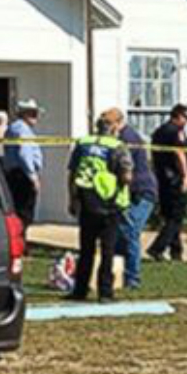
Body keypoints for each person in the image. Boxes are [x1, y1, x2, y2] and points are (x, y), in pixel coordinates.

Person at [67, 111, 133, 302]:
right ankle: (105, 292)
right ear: (114, 127)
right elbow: (126, 176)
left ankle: (80, 290)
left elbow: (72, 173)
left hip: (86, 202)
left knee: (86, 249)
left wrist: (72, 199)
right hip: (110, 204)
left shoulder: (83, 143)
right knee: (108, 250)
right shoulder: (117, 147)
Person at [114, 106, 158, 289]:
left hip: (143, 193)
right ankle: (116, 274)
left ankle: (133, 279)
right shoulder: (121, 138)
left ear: (118, 122)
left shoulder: (127, 139)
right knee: (119, 232)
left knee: (130, 231)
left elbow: (126, 171)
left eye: (107, 124)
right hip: (132, 193)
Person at [147, 104, 187, 263]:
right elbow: (179, 154)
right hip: (175, 179)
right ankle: (157, 248)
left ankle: (176, 252)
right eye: (186, 117)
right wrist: (186, 176)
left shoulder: (158, 132)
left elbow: (154, 156)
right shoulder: (176, 132)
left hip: (162, 178)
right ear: (178, 116)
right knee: (176, 217)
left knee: (170, 217)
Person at [2, 100, 43, 228]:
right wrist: (32, 175)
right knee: (24, 213)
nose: (36, 117)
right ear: (24, 114)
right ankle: (21, 244)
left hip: (16, 174)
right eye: (33, 113)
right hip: (22, 175)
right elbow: (24, 153)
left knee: (19, 212)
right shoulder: (22, 129)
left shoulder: (14, 127)